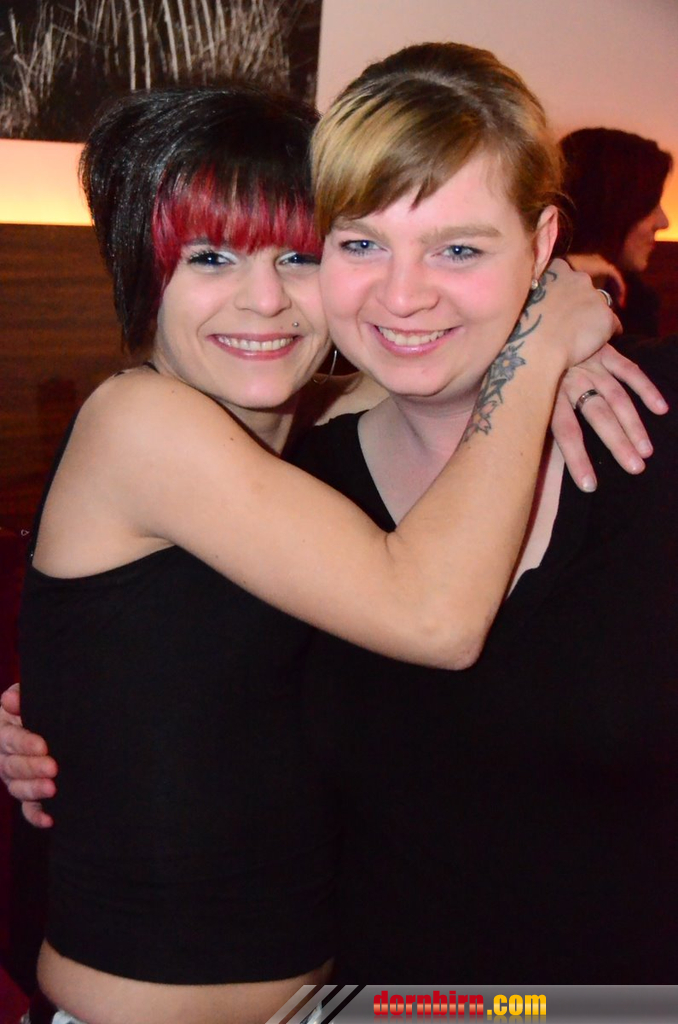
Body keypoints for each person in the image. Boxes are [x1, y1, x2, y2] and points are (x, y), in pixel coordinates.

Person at [0, 68, 669, 1015]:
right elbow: (433, 617)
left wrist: (547, 311)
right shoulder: (137, 421)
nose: (264, 301)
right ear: (144, 273)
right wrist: (538, 349)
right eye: (210, 257)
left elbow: (414, 353)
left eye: (301, 256)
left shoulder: (305, 445)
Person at [287, 42, 678, 982]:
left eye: (458, 248)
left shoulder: (660, 423)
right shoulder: (288, 489)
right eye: (362, 243)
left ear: (541, 246)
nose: (402, 294)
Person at [561, 127, 672, 336]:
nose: (664, 222)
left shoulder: (638, 304)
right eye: (651, 203)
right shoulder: (520, 298)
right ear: (609, 206)